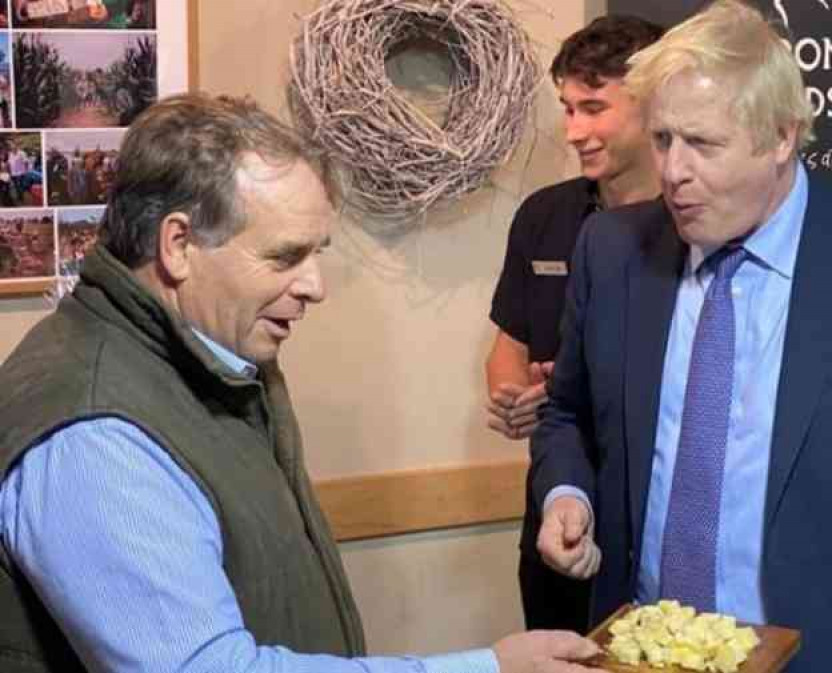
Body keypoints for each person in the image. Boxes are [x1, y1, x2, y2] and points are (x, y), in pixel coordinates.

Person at [0, 93, 603, 673]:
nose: (315, 285)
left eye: (318, 254)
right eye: (286, 258)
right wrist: (487, 669)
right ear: (178, 245)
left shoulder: (215, 358)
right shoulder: (97, 436)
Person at [530, 1, 832, 672]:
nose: (673, 171)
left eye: (704, 143)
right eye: (663, 139)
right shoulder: (611, 249)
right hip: (640, 653)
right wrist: (567, 493)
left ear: (782, 136)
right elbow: (565, 413)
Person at [485, 16, 664, 634]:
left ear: (653, 105)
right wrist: (517, 400)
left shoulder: (699, 219)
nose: (573, 131)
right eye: (566, 109)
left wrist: (595, 383)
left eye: (593, 108)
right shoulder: (543, 216)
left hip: (652, 513)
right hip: (557, 512)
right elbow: (506, 349)